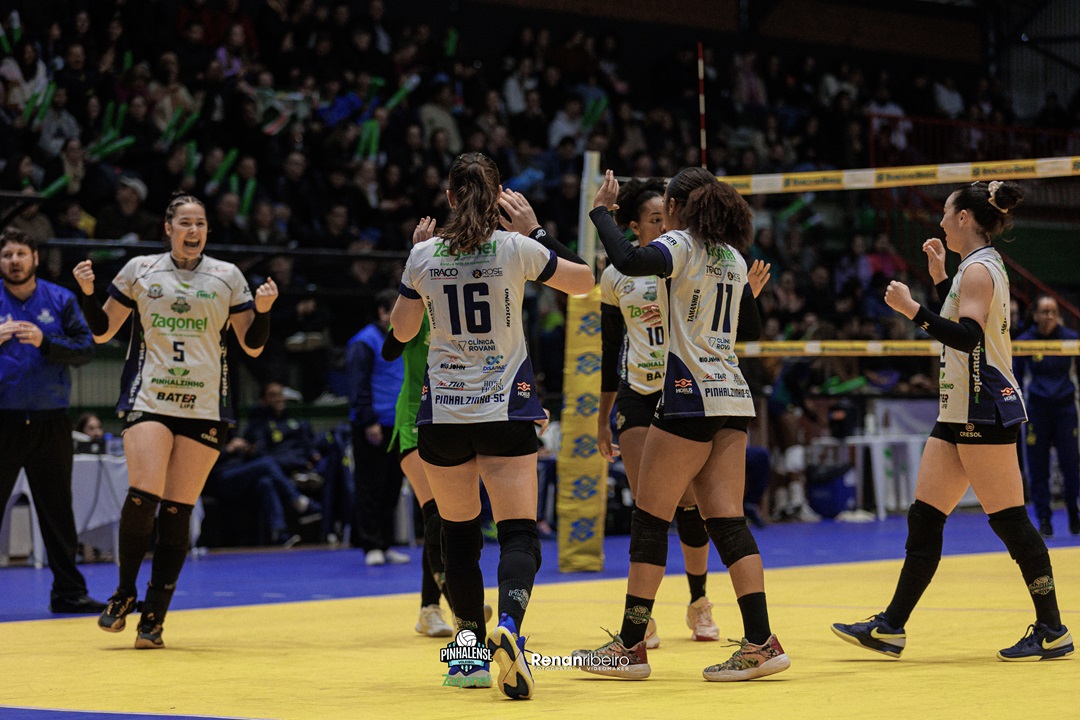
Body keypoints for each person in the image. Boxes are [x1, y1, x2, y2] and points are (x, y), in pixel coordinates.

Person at [832, 181, 1074, 662]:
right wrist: (941, 277)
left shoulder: (981, 270)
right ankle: (891, 627)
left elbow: (966, 337)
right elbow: (966, 317)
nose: (940, 221)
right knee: (924, 517)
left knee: (1010, 523)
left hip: (982, 408)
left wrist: (911, 310)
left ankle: (1052, 628)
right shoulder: (974, 269)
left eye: (946, 212)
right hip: (959, 410)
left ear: (965, 217)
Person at [389, 153, 594, 699]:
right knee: (518, 533)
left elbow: (403, 331)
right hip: (505, 410)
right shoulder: (515, 248)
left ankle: (468, 653)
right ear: (500, 193)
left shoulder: (424, 255)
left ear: (450, 198)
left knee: (458, 536)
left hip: (445, 416)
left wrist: (416, 274)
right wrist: (537, 230)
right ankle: (510, 626)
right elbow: (585, 282)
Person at [575, 168, 789, 683]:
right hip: (733, 396)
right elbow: (748, 329)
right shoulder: (732, 256)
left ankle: (629, 646)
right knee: (728, 521)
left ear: (675, 206)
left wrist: (601, 213)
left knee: (651, 518)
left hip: (689, 394)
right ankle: (761, 641)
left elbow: (626, 259)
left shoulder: (681, 246)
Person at [72, 193, 278, 649]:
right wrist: (88, 295)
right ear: (168, 228)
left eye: (200, 223)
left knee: (177, 509)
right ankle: (125, 592)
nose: (193, 231)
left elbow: (254, 346)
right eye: (185, 222)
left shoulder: (228, 277)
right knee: (144, 493)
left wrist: (262, 312)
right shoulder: (140, 270)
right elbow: (101, 330)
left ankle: (155, 617)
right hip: (150, 398)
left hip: (204, 406)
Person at [598, 178, 720, 645]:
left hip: (683, 391)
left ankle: (698, 603)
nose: (665, 223)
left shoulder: (687, 262)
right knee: (647, 508)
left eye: (666, 216)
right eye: (655, 219)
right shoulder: (617, 275)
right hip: (637, 393)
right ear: (634, 227)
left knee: (689, 505)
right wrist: (602, 416)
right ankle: (640, 618)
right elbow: (612, 350)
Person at [0, 227, 106, 614]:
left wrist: (45, 342)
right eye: (7, 255)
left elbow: (85, 350)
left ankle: (68, 593)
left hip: (50, 421)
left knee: (58, 511)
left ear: (35, 259)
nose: (14, 261)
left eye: (21, 254)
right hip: (3, 421)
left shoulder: (59, 299)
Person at [347, 288, 409, 566]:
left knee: (391, 485)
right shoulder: (365, 342)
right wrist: (368, 420)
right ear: (383, 313)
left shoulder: (402, 338)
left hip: (397, 425)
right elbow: (357, 385)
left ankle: (385, 543)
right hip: (373, 425)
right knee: (370, 485)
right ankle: (370, 544)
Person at [1014, 295, 1080, 537]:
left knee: (1071, 465)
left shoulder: (1071, 339)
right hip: (1037, 410)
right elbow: (1016, 378)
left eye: (1053, 311)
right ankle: (1044, 519)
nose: (1049, 316)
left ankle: (1074, 512)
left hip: (1065, 409)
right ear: (1035, 315)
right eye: (1044, 311)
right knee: (1038, 467)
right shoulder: (1024, 342)